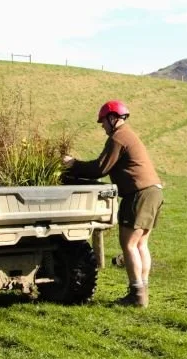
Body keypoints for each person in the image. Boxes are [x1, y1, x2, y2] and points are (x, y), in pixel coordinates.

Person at [62, 100, 162, 308]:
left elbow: (100, 168)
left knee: (129, 245)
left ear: (112, 118)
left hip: (138, 194)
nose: (102, 126)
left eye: (103, 122)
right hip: (153, 191)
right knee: (141, 244)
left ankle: (136, 294)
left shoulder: (118, 137)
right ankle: (142, 291)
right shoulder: (128, 135)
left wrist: (73, 165)